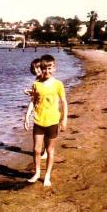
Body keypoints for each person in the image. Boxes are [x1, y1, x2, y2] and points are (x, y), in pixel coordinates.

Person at [24, 54, 68, 187]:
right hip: (38, 121)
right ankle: (37, 173)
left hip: (53, 121)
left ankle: (47, 175)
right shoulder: (36, 84)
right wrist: (27, 116)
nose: (46, 71)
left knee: (50, 151)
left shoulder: (58, 84)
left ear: (54, 68)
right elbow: (33, 101)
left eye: (49, 68)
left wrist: (64, 119)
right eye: (44, 68)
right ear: (40, 68)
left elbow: (64, 102)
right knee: (37, 149)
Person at [24, 58, 48, 160]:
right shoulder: (37, 81)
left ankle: (46, 152)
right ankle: (45, 151)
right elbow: (34, 99)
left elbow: (45, 92)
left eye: (38, 68)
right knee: (42, 133)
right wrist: (27, 116)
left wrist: (31, 92)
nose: (36, 71)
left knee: (46, 133)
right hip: (40, 111)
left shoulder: (48, 79)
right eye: (34, 69)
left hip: (48, 110)